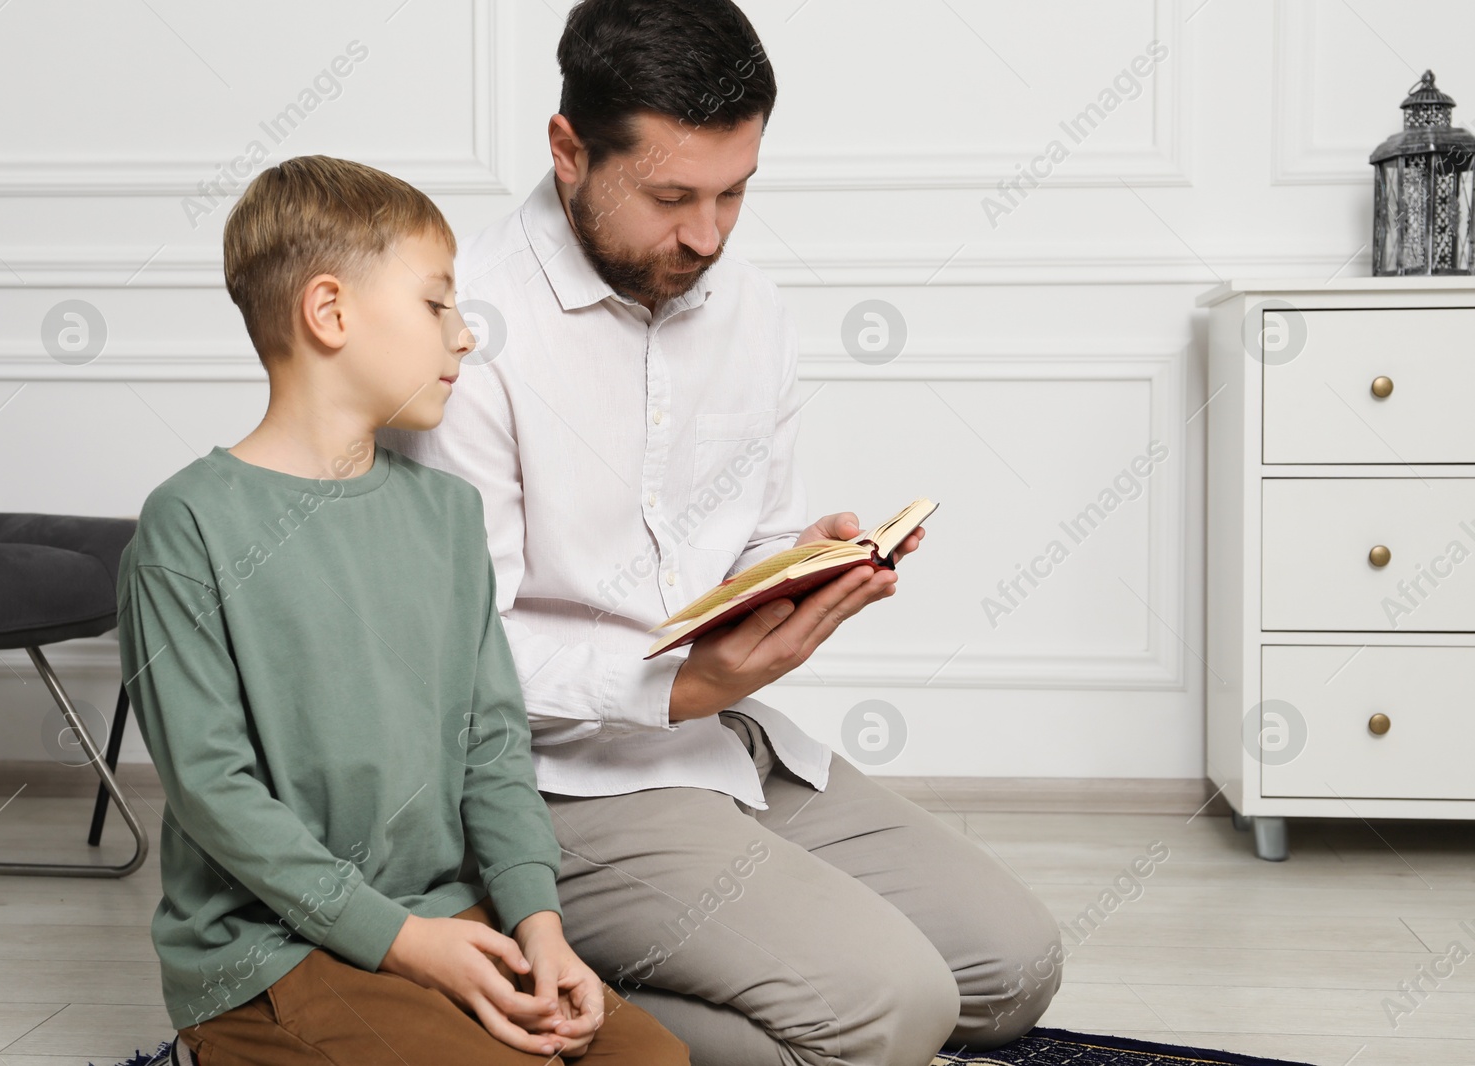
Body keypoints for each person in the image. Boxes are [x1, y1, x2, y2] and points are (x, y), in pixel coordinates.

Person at [378, 2, 1065, 1063]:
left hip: (724, 746)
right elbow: (459, 651)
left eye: (734, 193)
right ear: (569, 152)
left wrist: (795, 571)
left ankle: (603, 963)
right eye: (670, 197)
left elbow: (744, 539)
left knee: (1011, 966)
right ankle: (530, 973)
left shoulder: (750, 304)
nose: (706, 234)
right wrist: (673, 687)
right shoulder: (463, 329)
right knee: (893, 1010)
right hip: (553, 783)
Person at [115, 154, 689, 1065]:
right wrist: (404, 944)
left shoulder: (449, 516)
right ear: (330, 312)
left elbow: (492, 748)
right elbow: (213, 793)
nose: (464, 337)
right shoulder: (188, 525)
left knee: (652, 1059)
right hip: (266, 952)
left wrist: (540, 925)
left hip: (446, 916)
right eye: (436, 305)